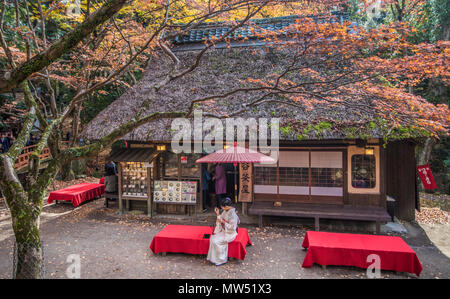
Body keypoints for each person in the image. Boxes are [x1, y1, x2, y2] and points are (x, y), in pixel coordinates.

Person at [207, 197, 239, 266]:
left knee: (216, 241)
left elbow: (232, 227)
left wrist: (223, 222)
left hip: (230, 233)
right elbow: (221, 219)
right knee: (212, 238)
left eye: (222, 207)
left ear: (227, 206)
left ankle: (221, 259)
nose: (222, 208)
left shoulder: (233, 215)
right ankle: (214, 258)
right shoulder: (226, 211)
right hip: (224, 231)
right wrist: (218, 214)